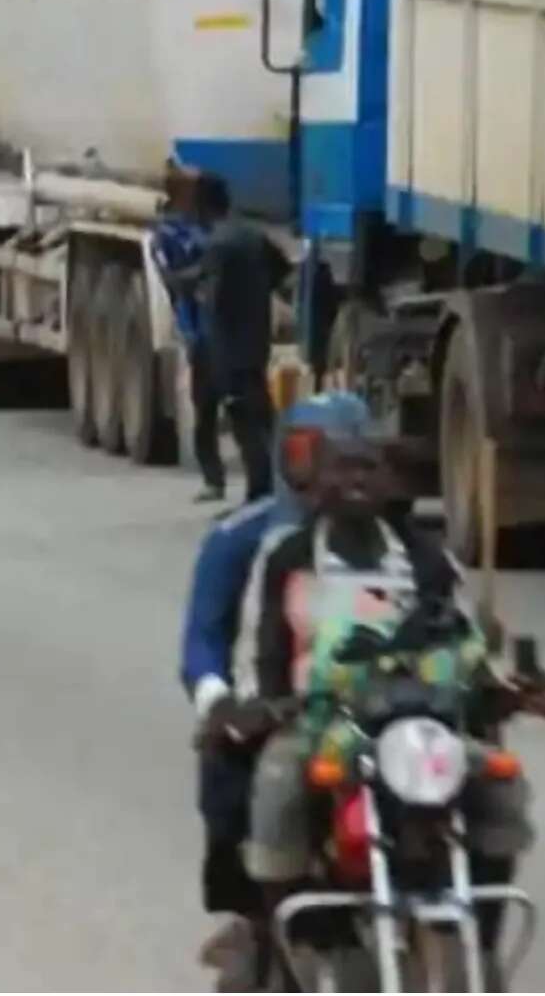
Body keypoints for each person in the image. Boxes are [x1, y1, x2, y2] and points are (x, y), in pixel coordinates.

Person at [229, 428, 545, 961]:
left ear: (390, 481)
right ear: (317, 481)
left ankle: (482, 946)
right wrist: (260, 704)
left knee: (500, 782)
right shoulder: (287, 556)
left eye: (368, 468)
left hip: (419, 725)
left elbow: (463, 639)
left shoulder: (428, 558)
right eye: (343, 468)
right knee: (277, 784)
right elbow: (257, 645)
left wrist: (502, 688)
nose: (356, 479)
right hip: (323, 722)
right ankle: (287, 948)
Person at [180, 393, 374, 984]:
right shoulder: (243, 540)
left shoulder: (400, 545)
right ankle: (257, 912)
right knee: (234, 767)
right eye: (309, 454)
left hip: (378, 713)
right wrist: (223, 702)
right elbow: (203, 640)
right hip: (283, 711)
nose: (330, 474)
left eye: (347, 457)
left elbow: (450, 621)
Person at [193, 171, 288, 502]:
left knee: (244, 425)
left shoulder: (217, 245)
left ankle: (257, 495)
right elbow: (282, 270)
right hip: (255, 343)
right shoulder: (252, 235)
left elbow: (215, 303)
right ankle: (274, 490)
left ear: (202, 205)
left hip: (229, 352)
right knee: (263, 422)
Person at [153, 164, 226, 500]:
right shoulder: (169, 234)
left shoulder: (218, 231)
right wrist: (201, 276)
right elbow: (172, 279)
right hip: (200, 330)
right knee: (206, 408)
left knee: (244, 411)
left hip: (230, 332)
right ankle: (213, 478)